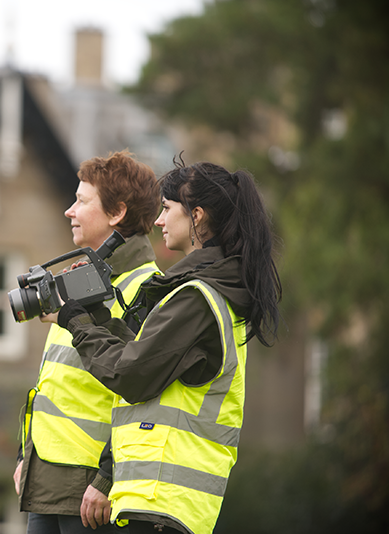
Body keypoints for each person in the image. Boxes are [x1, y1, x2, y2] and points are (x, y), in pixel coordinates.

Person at [50, 159, 283, 534]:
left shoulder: (196, 297)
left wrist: (75, 322)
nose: (159, 221)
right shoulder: (213, 290)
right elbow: (148, 360)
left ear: (197, 216)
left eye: (167, 209)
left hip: (161, 502)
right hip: (166, 502)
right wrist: (96, 317)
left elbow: (131, 374)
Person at [14, 150, 161, 534]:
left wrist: (108, 479)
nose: (69, 210)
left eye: (81, 201)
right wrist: (25, 457)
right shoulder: (79, 280)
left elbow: (143, 394)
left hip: (91, 493)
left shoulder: (146, 290)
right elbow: (54, 383)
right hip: (47, 481)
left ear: (117, 214)